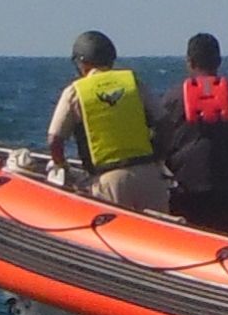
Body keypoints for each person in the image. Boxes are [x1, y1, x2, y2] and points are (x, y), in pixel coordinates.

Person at [43, 31, 169, 213]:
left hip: (108, 180)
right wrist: (158, 156)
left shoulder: (75, 92)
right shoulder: (133, 82)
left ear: (82, 63)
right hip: (149, 175)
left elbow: (54, 140)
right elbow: (164, 122)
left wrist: (62, 167)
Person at [154, 32, 228, 233]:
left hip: (186, 189)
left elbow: (160, 140)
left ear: (189, 62)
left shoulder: (173, 97)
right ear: (218, 61)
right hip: (227, 187)